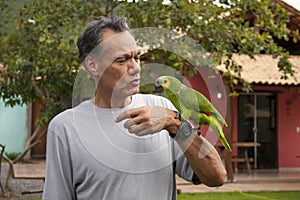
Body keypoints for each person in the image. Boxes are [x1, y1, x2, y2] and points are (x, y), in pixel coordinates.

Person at [42, 16, 226, 200]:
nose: (136, 68)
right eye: (122, 60)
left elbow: (216, 176)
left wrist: (174, 123)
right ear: (93, 65)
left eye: (137, 57)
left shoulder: (162, 109)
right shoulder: (65, 127)